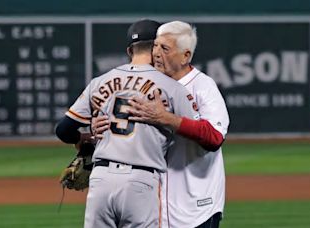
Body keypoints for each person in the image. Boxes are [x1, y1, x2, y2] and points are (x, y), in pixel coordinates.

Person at [56, 19, 200, 228]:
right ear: (156, 48)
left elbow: (63, 130)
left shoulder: (99, 82)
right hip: (140, 182)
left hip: (101, 179)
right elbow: (197, 135)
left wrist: (84, 138)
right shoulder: (172, 87)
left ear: (129, 50)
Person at [92, 21, 230, 228]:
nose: (156, 53)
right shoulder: (148, 84)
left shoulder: (203, 86)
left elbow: (214, 137)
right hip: (152, 206)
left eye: (165, 48)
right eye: (155, 45)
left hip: (196, 207)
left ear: (186, 56)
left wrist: (165, 118)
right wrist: (96, 132)